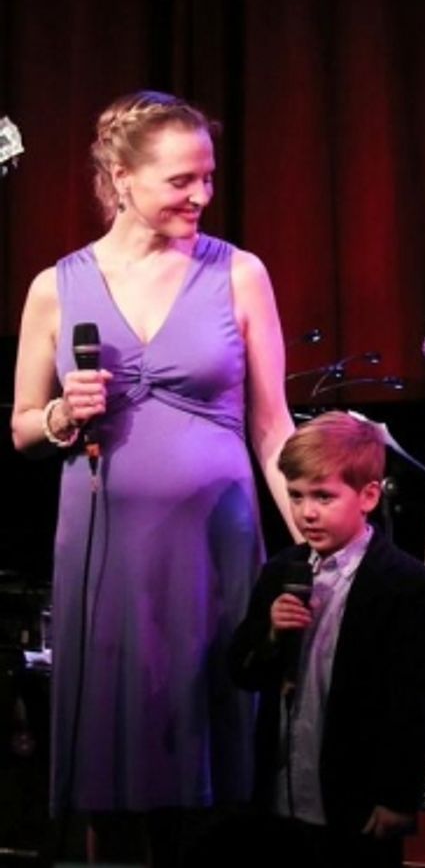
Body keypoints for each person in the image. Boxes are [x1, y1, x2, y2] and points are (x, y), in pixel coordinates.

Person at [9, 90, 296, 862]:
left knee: (215, 770)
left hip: (215, 551)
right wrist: (64, 416)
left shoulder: (239, 274)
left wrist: (312, 548)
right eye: (180, 180)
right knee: (113, 775)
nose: (201, 194)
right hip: (107, 559)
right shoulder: (54, 288)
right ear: (121, 175)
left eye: (207, 176)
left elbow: (273, 427)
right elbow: (23, 428)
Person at [226, 411, 425, 867]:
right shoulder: (282, 571)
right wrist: (269, 631)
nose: (306, 512)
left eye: (323, 497)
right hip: (284, 791)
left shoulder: (406, 584)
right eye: (297, 496)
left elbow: (413, 703)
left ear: (367, 496)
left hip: (357, 797)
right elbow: (241, 672)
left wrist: (398, 796)